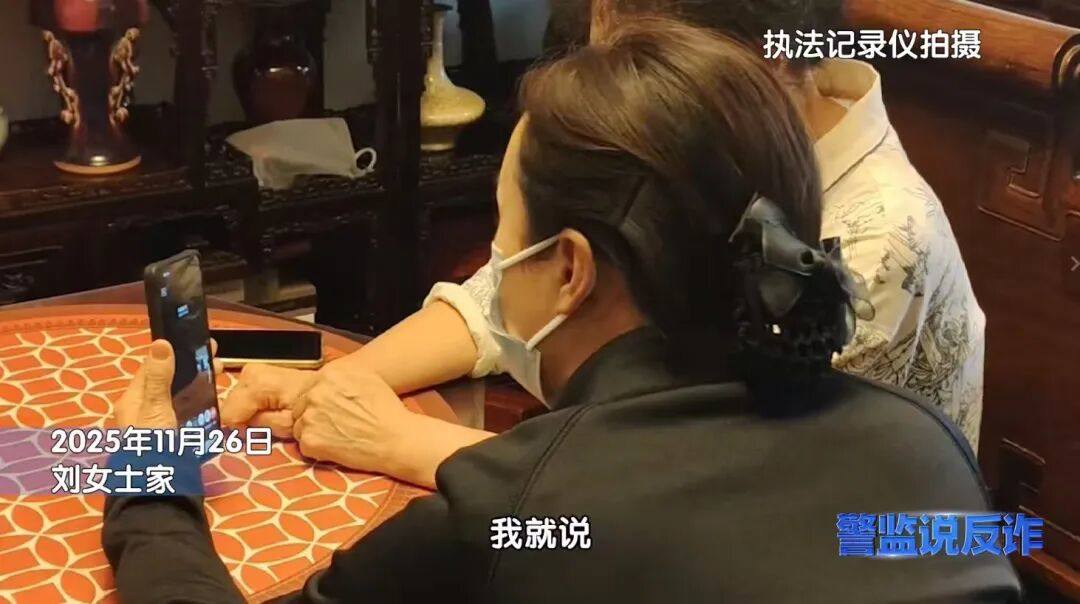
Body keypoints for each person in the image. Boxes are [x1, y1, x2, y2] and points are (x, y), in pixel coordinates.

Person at [104, 19, 1019, 603]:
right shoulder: (923, 449)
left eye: (504, 236)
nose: (495, 268)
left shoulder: (517, 518)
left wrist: (149, 480)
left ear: (570, 270)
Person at [220, 0, 986, 491]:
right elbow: (507, 294)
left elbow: (700, 491)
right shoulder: (715, 143)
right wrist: (337, 385)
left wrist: (403, 442)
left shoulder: (880, 232)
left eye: (632, 68)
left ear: (757, 68)